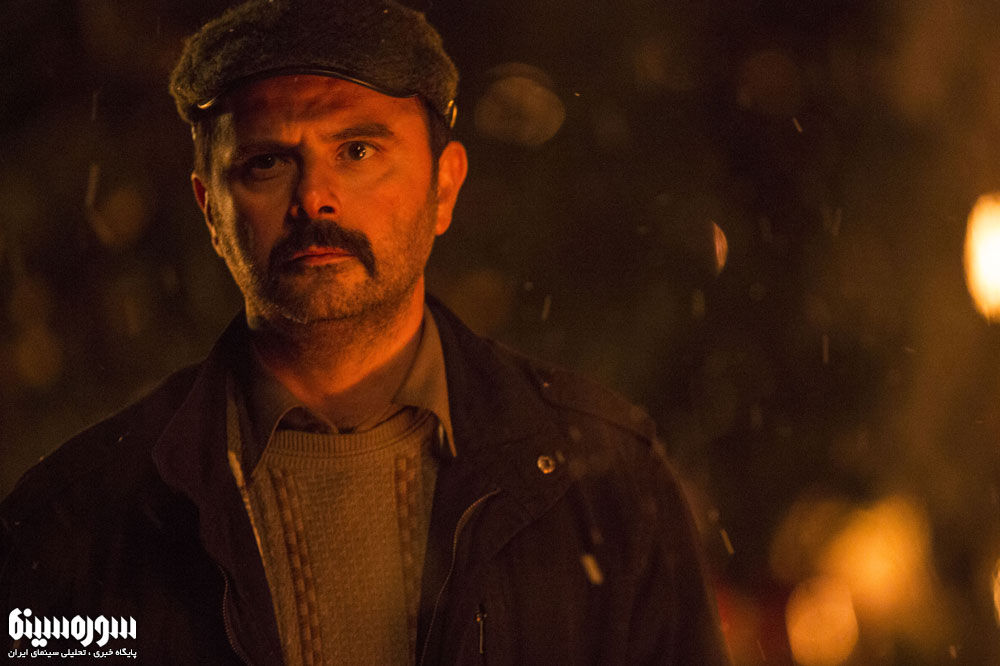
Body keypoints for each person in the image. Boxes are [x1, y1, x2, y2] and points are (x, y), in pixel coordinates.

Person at [1, 1, 731, 664]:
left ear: (444, 187)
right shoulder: (78, 519)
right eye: (266, 162)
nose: (315, 198)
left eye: (357, 150)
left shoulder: (603, 485)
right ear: (210, 210)